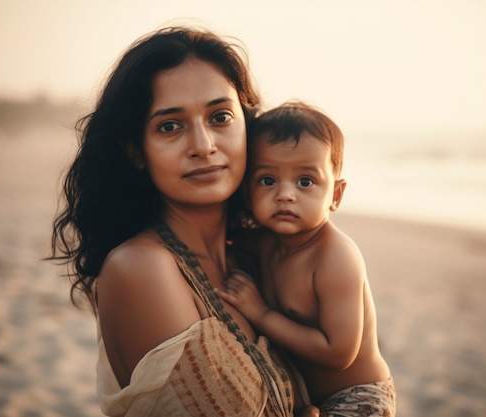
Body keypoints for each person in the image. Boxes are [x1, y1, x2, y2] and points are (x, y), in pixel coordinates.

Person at [50, 27, 318, 417]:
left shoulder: (254, 258)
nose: (203, 145)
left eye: (220, 116)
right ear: (136, 151)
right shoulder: (141, 268)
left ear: (248, 125)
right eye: (170, 126)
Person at [217, 102, 396, 417]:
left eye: (305, 181)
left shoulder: (336, 257)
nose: (285, 194)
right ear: (248, 192)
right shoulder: (264, 243)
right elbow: (214, 240)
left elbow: (339, 352)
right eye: (268, 180)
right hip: (306, 395)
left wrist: (260, 313)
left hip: (359, 397)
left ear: (336, 196)